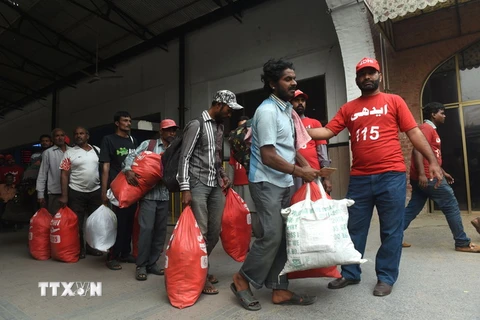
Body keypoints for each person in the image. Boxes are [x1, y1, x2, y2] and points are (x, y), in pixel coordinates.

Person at [307, 57, 443, 297]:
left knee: (391, 230)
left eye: (371, 73)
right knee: (353, 228)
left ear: (379, 75)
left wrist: (432, 161)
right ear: (357, 79)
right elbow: (328, 131)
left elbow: (413, 132)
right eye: (362, 74)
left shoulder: (394, 101)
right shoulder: (349, 108)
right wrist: (298, 129)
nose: (367, 77)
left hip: (391, 175)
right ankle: (350, 273)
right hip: (359, 178)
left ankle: (386, 277)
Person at [231, 59, 320, 311]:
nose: (294, 83)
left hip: (283, 181)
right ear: (272, 83)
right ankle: (241, 280)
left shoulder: (286, 111)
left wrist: (305, 168)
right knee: (271, 235)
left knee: (284, 236)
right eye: (287, 79)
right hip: (265, 181)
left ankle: (279, 289)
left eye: (294, 78)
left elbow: (289, 148)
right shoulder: (268, 111)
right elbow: (269, 155)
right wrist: (299, 170)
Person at [178, 90, 241, 294]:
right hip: (197, 184)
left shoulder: (219, 126)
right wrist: (185, 188)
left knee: (214, 231)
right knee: (201, 232)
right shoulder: (196, 125)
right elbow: (184, 158)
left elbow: (215, 157)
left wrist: (223, 175)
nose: (230, 114)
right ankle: (199, 275)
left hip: (214, 184)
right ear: (219, 104)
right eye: (229, 109)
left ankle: (201, 266)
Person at [403, 102, 480, 253]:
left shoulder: (431, 130)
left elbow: (431, 156)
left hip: (428, 175)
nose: (444, 116)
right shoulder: (426, 128)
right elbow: (418, 151)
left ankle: (392, 238)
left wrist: (443, 172)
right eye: (442, 113)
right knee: (451, 205)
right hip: (428, 177)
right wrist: (421, 174)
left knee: (412, 209)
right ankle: (462, 242)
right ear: (433, 114)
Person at [124, 119, 178, 281]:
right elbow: (131, 156)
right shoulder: (149, 144)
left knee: (160, 231)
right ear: (161, 131)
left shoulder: (175, 149)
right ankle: (141, 265)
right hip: (148, 195)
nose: (171, 133)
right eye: (168, 130)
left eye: (174, 131)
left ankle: (153, 263)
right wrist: (128, 170)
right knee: (146, 230)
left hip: (164, 195)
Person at [100, 111, 138, 270]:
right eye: (125, 121)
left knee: (129, 221)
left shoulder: (132, 140)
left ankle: (124, 252)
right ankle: (112, 256)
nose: (128, 123)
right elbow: (106, 166)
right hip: (116, 187)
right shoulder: (108, 140)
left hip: (131, 189)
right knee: (117, 223)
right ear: (117, 123)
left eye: (130, 120)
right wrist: (103, 191)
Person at [59, 127, 103, 259]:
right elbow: (64, 175)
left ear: (87, 136)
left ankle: (91, 248)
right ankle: (80, 248)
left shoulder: (97, 150)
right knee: (77, 223)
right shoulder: (69, 153)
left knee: (93, 222)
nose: (79, 136)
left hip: (95, 191)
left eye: (81, 133)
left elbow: (104, 170)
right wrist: (64, 195)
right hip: (76, 192)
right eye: (76, 134)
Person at [291, 89, 332, 194]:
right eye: (296, 100)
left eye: (302, 100)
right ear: (290, 103)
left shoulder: (314, 123)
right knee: (296, 205)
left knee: (316, 205)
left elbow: (322, 152)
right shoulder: (286, 124)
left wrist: (326, 178)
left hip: (313, 173)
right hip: (294, 175)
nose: (300, 103)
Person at [228, 116, 258, 236]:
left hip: (250, 181)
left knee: (252, 210)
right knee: (240, 210)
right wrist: (229, 184)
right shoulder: (235, 147)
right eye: (240, 127)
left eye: (245, 127)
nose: (243, 130)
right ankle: (243, 232)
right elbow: (231, 165)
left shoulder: (254, 145)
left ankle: (256, 231)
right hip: (237, 184)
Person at [36, 129, 69, 215]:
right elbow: (42, 174)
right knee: (55, 219)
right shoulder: (48, 153)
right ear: (53, 139)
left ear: (65, 137)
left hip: (72, 191)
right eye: (57, 136)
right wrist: (40, 194)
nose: (60, 138)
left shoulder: (72, 151)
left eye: (62, 135)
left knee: (71, 219)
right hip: (55, 192)